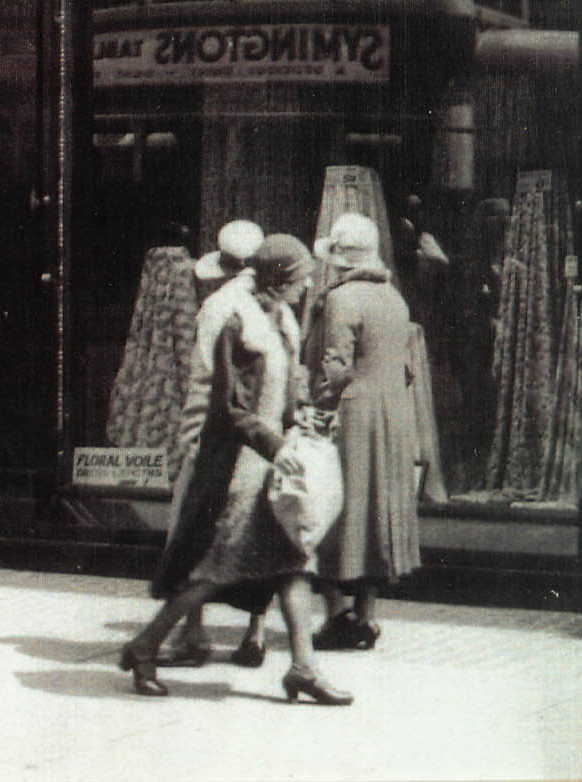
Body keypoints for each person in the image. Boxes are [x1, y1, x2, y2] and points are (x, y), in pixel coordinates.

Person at [119, 233, 351, 704]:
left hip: (270, 465)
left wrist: (304, 415)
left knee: (293, 564)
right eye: (301, 278)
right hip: (238, 470)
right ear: (281, 278)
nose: (305, 287)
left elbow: (284, 392)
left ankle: (304, 667)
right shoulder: (236, 320)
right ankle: (144, 646)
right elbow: (230, 407)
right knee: (215, 567)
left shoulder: (280, 317)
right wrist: (276, 444)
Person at [307, 211, 421, 650]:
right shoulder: (393, 298)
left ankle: (337, 614)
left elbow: (335, 367)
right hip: (392, 413)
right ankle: (367, 615)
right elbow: (407, 368)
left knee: (337, 507)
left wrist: (316, 407)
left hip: (353, 414)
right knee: (378, 508)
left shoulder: (341, 298)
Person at [161, 220, 270, 669]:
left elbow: (204, 381)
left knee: (195, 528)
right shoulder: (274, 307)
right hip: (261, 437)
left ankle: (192, 631)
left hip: (219, 435)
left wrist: (190, 438)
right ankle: (255, 632)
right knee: (257, 533)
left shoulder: (216, 308)